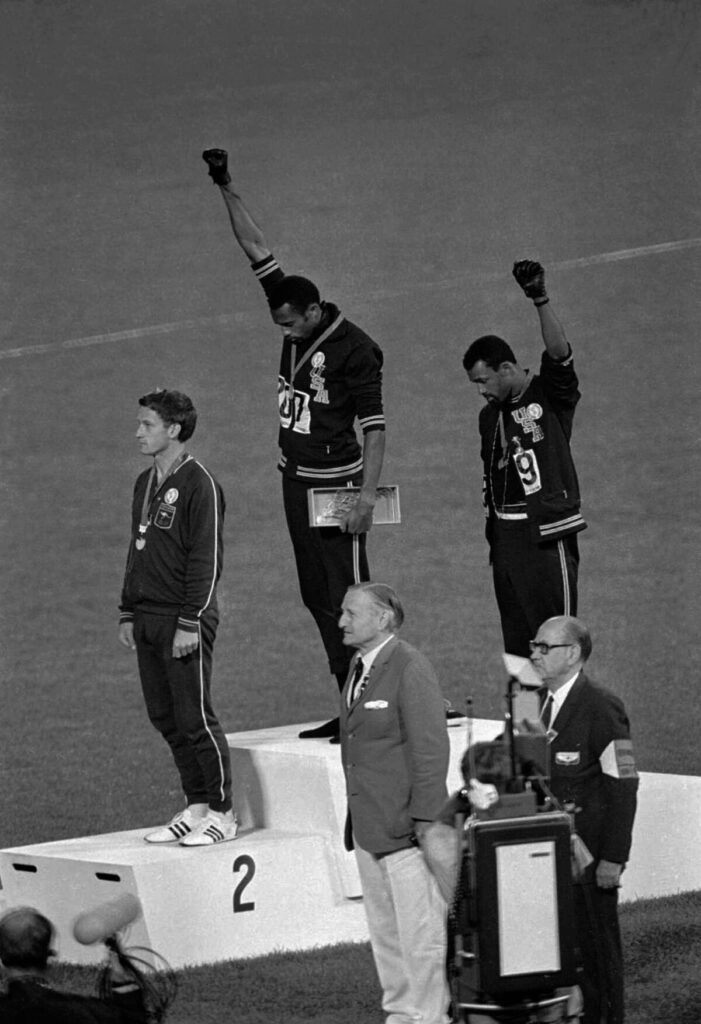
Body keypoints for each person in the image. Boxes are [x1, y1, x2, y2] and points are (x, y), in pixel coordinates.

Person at [202, 148, 386, 742]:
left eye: (291, 324)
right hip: (296, 480)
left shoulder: (358, 349)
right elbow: (254, 246)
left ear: (314, 310)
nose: (283, 330)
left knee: (353, 595)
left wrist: (363, 497)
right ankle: (350, 701)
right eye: (278, 323)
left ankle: (378, 706)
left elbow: (376, 427)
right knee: (317, 595)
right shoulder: (289, 304)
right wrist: (226, 183)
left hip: (337, 486)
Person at [118, 389, 237, 846]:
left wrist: (191, 621)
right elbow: (137, 547)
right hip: (147, 615)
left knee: (195, 718)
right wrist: (127, 609)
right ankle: (197, 804)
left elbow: (206, 559)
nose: (138, 433)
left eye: (147, 425)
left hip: (183, 620)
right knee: (164, 716)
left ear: (174, 429)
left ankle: (224, 813)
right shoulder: (142, 483)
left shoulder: (199, 484)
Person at [338, 582, 451, 1024]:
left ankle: (431, 1016)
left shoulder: (409, 666)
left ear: (383, 618)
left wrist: (424, 820)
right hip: (368, 826)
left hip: (406, 828)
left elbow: (430, 750)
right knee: (385, 931)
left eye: (351, 613)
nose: (342, 621)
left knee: (421, 933)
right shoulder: (359, 665)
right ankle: (401, 1013)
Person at [462, 261, 586, 657]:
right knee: (519, 652)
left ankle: (558, 720)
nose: (480, 391)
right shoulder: (488, 418)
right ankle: (527, 721)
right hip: (505, 543)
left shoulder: (548, 394)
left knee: (555, 643)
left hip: (545, 537)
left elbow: (560, 353)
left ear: (508, 368)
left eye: (483, 381)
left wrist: (540, 299)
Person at [530, 615, 638, 1024]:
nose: (534, 655)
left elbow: (624, 784)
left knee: (596, 960)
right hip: (549, 857)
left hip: (590, 861)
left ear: (572, 653)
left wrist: (613, 857)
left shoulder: (601, 706)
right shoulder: (539, 703)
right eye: (534, 646)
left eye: (545, 647)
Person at [0, 906, 149, 1022]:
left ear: (2, 957)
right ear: (50, 956)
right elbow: (129, 1020)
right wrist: (124, 988)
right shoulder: (80, 1011)